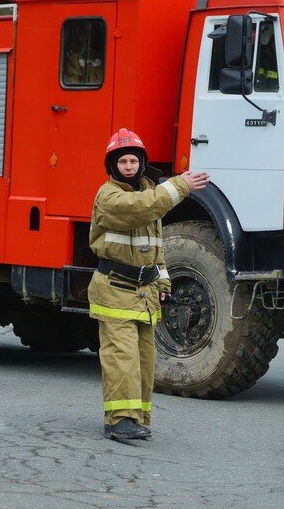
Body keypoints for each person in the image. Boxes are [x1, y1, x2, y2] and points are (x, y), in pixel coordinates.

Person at [88, 128, 209, 441]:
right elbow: (139, 208)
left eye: (133, 160)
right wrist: (179, 186)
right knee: (121, 359)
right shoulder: (109, 195)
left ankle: (136, 417)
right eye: (122, 161)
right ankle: (118, 420)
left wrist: (163, 279)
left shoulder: (147, 193)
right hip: (114, 290)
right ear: (112, 167)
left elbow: (154, 247)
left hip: (143, 293)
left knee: (143, 360)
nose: (128, 166)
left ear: (141, 164)